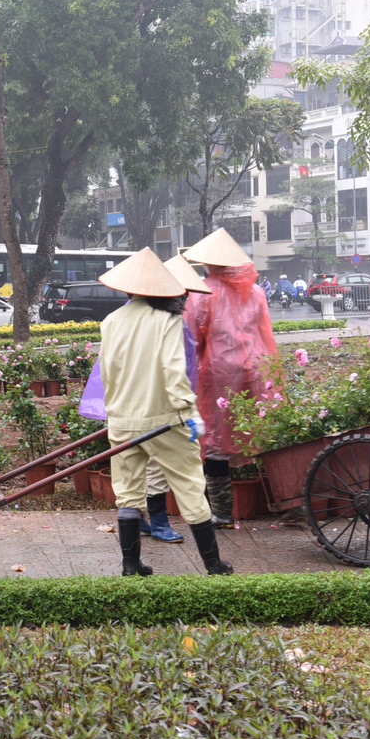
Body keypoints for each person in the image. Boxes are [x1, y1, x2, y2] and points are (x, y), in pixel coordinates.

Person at [98, 247, 232, 578]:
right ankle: (213, 564)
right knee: (189, 485)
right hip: (163, 421)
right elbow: (174, 373)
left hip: (122, 421)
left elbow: (107, 374)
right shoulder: (166, 321)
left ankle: (131, 565)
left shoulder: (111, 321)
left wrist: (115, 414)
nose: (184, 299)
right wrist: (190, 412)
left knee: (128, 492)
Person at [184, 228, 277, 529]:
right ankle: (284, 499)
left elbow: (192, 337)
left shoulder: (201, 292)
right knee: (264, 432)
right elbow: (265, 331)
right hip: (258, 369)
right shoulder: (257, 291)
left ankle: (223, 512)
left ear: (208, 263)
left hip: (219, 374)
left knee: (216, 438)